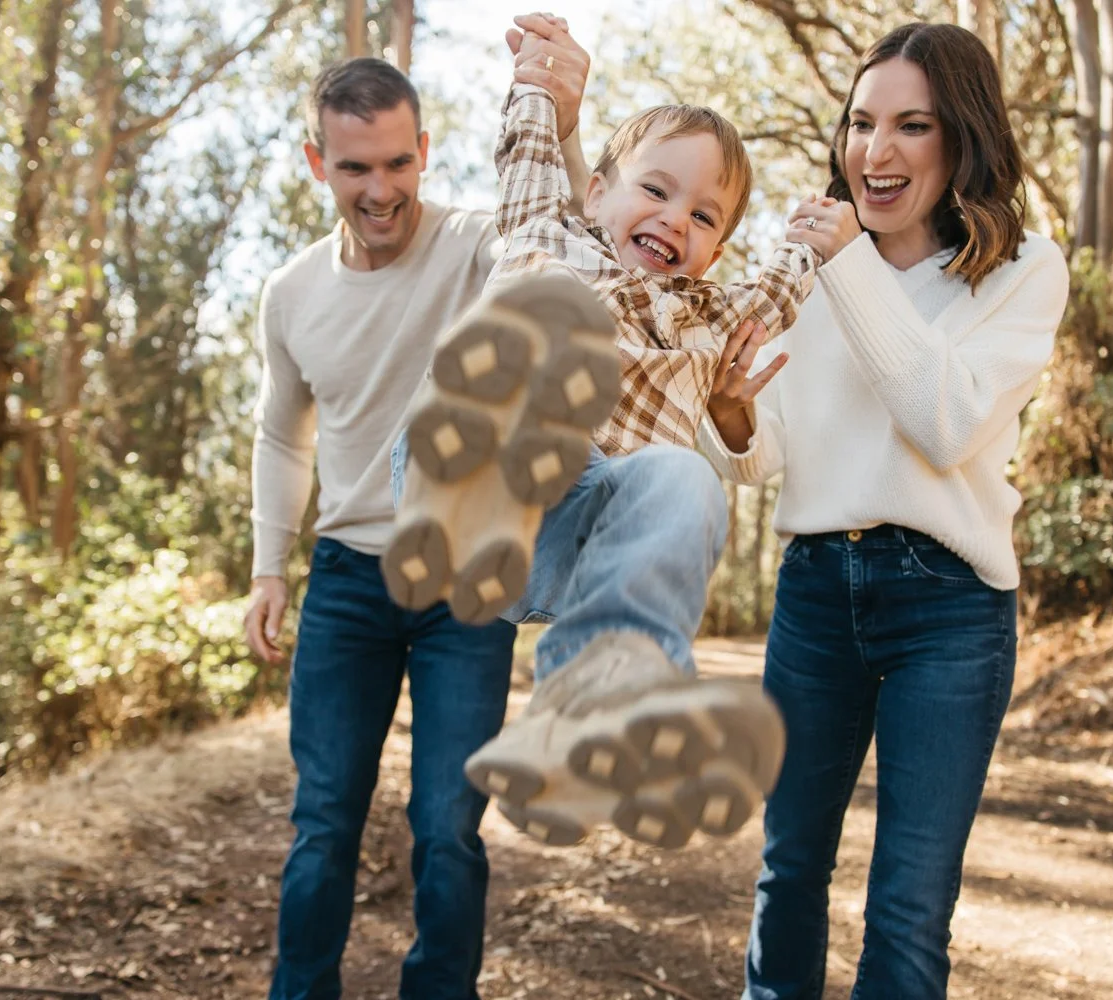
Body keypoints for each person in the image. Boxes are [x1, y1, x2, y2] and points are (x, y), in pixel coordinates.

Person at [382, 31, 831, 851]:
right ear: (594, 193)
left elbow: (778, 288)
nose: (675, 218)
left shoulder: (709, 318)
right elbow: (527, 149)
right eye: (655, 190)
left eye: (703, 216)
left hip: (575, 542)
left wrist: (811, 238)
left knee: (686, 479)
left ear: (715, 251)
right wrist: (535, 80)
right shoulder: (542, 228)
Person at [699, 22, 1071, 1000]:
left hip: (949, 609)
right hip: (816, 593)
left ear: (963, 138)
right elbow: (767, 452)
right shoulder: (808, 271)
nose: (875, 150)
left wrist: (849, 265)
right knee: (788, 873)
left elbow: (946, 424)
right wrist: (733, 413)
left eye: (912, 125)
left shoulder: (1022, 270)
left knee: (907, 910)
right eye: (862, 123)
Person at [244, 20, 592, 1000]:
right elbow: (282, 438)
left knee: (447, 824)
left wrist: (567, 126)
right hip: (346, 584)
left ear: (425, 151)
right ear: (318, 161)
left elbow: (578, 233)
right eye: (355, 167)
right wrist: (269, 569)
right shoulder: (291, 294)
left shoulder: (481, 246)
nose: (380, 189)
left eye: (399, 162)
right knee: (324, 821)